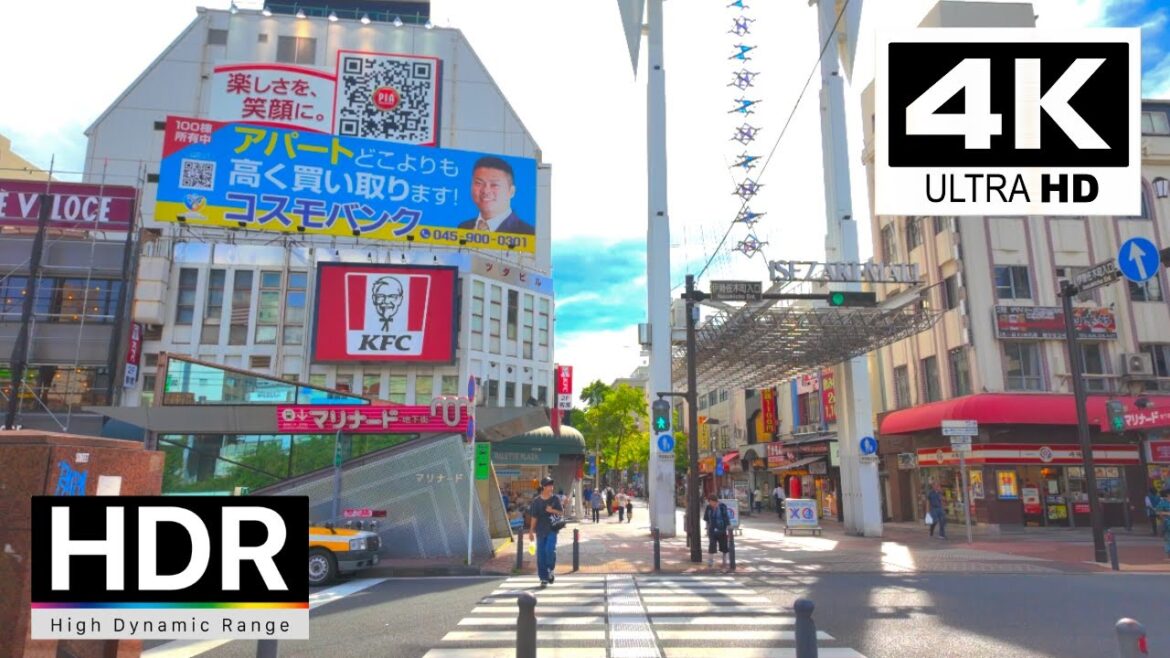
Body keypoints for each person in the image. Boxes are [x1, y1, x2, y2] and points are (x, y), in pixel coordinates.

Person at [458, 156, 535, 235]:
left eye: (494, 185)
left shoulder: (528, 234)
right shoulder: (463, 228)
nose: (485, 191)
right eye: (479, 183)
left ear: (511, 191)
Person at [528, 476, 564, 587]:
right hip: (540, 530)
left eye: (552, 485)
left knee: (550, 550)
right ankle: (543, 578)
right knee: (540, 554)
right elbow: (534, 517)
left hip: (552, 529)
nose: (551, 487)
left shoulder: (555, 499)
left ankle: (550, 569)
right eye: (549, 485)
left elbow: (561, 513)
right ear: (543, 487)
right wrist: (530, 531)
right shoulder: (536, 501)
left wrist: (552, 510)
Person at [703, 494, 732, 569]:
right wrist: (707, 528)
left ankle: (724, 561)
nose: (710, 503)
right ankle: (710, 561)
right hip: (712, 530)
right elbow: (706, 518)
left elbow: (726, 517)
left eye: (711, 502)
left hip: (721, 529)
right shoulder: (708, 507)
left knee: (724, 546)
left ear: (714, 501)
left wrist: (728, 527)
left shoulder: (722, 506)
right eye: (709, 502)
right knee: (712, 545)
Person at [1155, 489, 1170, 560]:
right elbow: (1157, 512)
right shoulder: (1163, 502)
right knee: (1168, 539)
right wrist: (1167, 513)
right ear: (1168, 495)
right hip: (1167, 523)